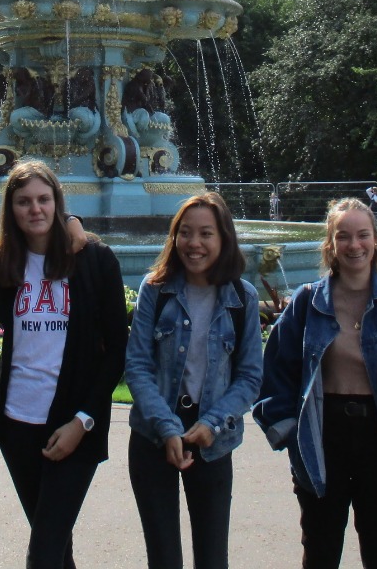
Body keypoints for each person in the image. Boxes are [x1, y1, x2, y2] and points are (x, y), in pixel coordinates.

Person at [254, 198, 377, 569]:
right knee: (320, 552)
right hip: (323, 436)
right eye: (343, 236)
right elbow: (275, 372)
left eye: (363, 235)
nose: (354, 245)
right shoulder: (307, 302)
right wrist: (288, 431)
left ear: (375, 242)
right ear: (330, 245)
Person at [0, 159, 128, 569]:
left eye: (44, 199)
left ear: (58, 203)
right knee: (56, 547)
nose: (35, 209)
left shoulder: (95, 261)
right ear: (10, 210)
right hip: (16, 424)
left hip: (73, 425)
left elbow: (118, 348)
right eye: (23, 201)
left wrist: (83, 421)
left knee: (43, 553)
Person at [125, 193, 264, 569]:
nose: (194, 243)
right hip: (154, 434)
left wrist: (213, 423)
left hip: (212, 438)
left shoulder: (242, 298)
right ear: (174, 238)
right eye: (185, 233)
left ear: (224, 239)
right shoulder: (155, 289)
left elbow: (251, 375)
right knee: (164, 558)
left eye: (206, 233)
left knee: (212, 557)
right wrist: (168, 428)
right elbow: (137, 365)